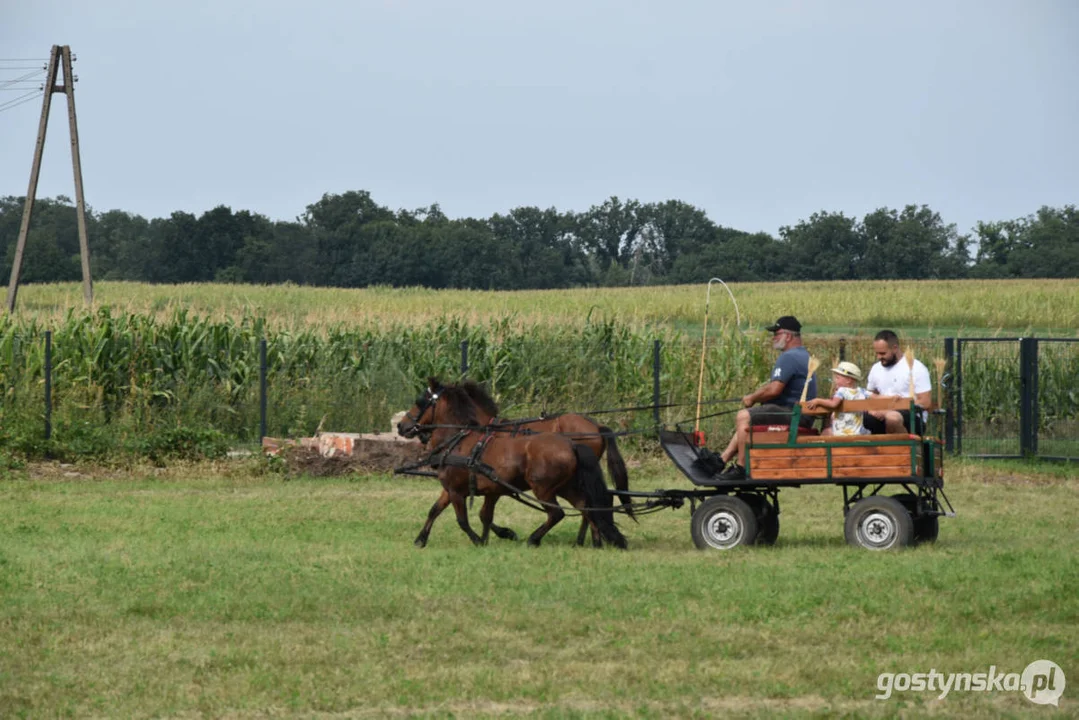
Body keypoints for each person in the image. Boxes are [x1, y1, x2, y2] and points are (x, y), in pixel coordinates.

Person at [715, 315, 817, 480]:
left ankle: (741, 468)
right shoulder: (804, 355)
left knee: (744, 416)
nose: (773, 338)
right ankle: (721, 460)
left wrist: (752, 397)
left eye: (776, 334)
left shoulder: (788, 357)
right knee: (749, 420)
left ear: (788, 336)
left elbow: (774, 389)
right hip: (801, 414)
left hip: (792, 414)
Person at [864, 329, 932, 434]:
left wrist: (889, 410)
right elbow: (870, 395)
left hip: (911, 416)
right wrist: (872, 409)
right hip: (881, 414)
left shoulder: (916, 368)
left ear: (895, 348)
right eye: (877, 353)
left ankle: (906, 449)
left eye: (882, 353)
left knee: (892, 418)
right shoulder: (875, 369)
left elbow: (925, 402)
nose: (879, 357)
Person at [805, 361, 871, 436]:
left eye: (837, 378)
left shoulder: (842, 391)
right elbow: (876, 397)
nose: (835, 381)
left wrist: (818, 400)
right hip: (858, 432)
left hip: (842, 432)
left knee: (825, 433)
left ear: (848, 380)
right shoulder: (862, 391)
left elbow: (833, 404)